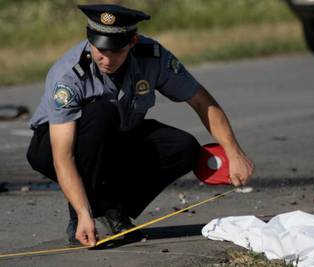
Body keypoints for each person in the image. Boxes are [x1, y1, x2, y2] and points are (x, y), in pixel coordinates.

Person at [26, 4, 254, 247]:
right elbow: (64, 155)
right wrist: (83, 213)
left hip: (113, 140)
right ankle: (89, 213)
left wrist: (234, 152)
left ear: (133, 41)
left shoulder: (152, 57)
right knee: (103, 112)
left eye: (115, 50)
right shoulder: (69, 75)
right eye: (99, 48)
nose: (105, 57)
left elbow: (200, 100)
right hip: (53, 146)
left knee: (183, 147)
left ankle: (113, 208)